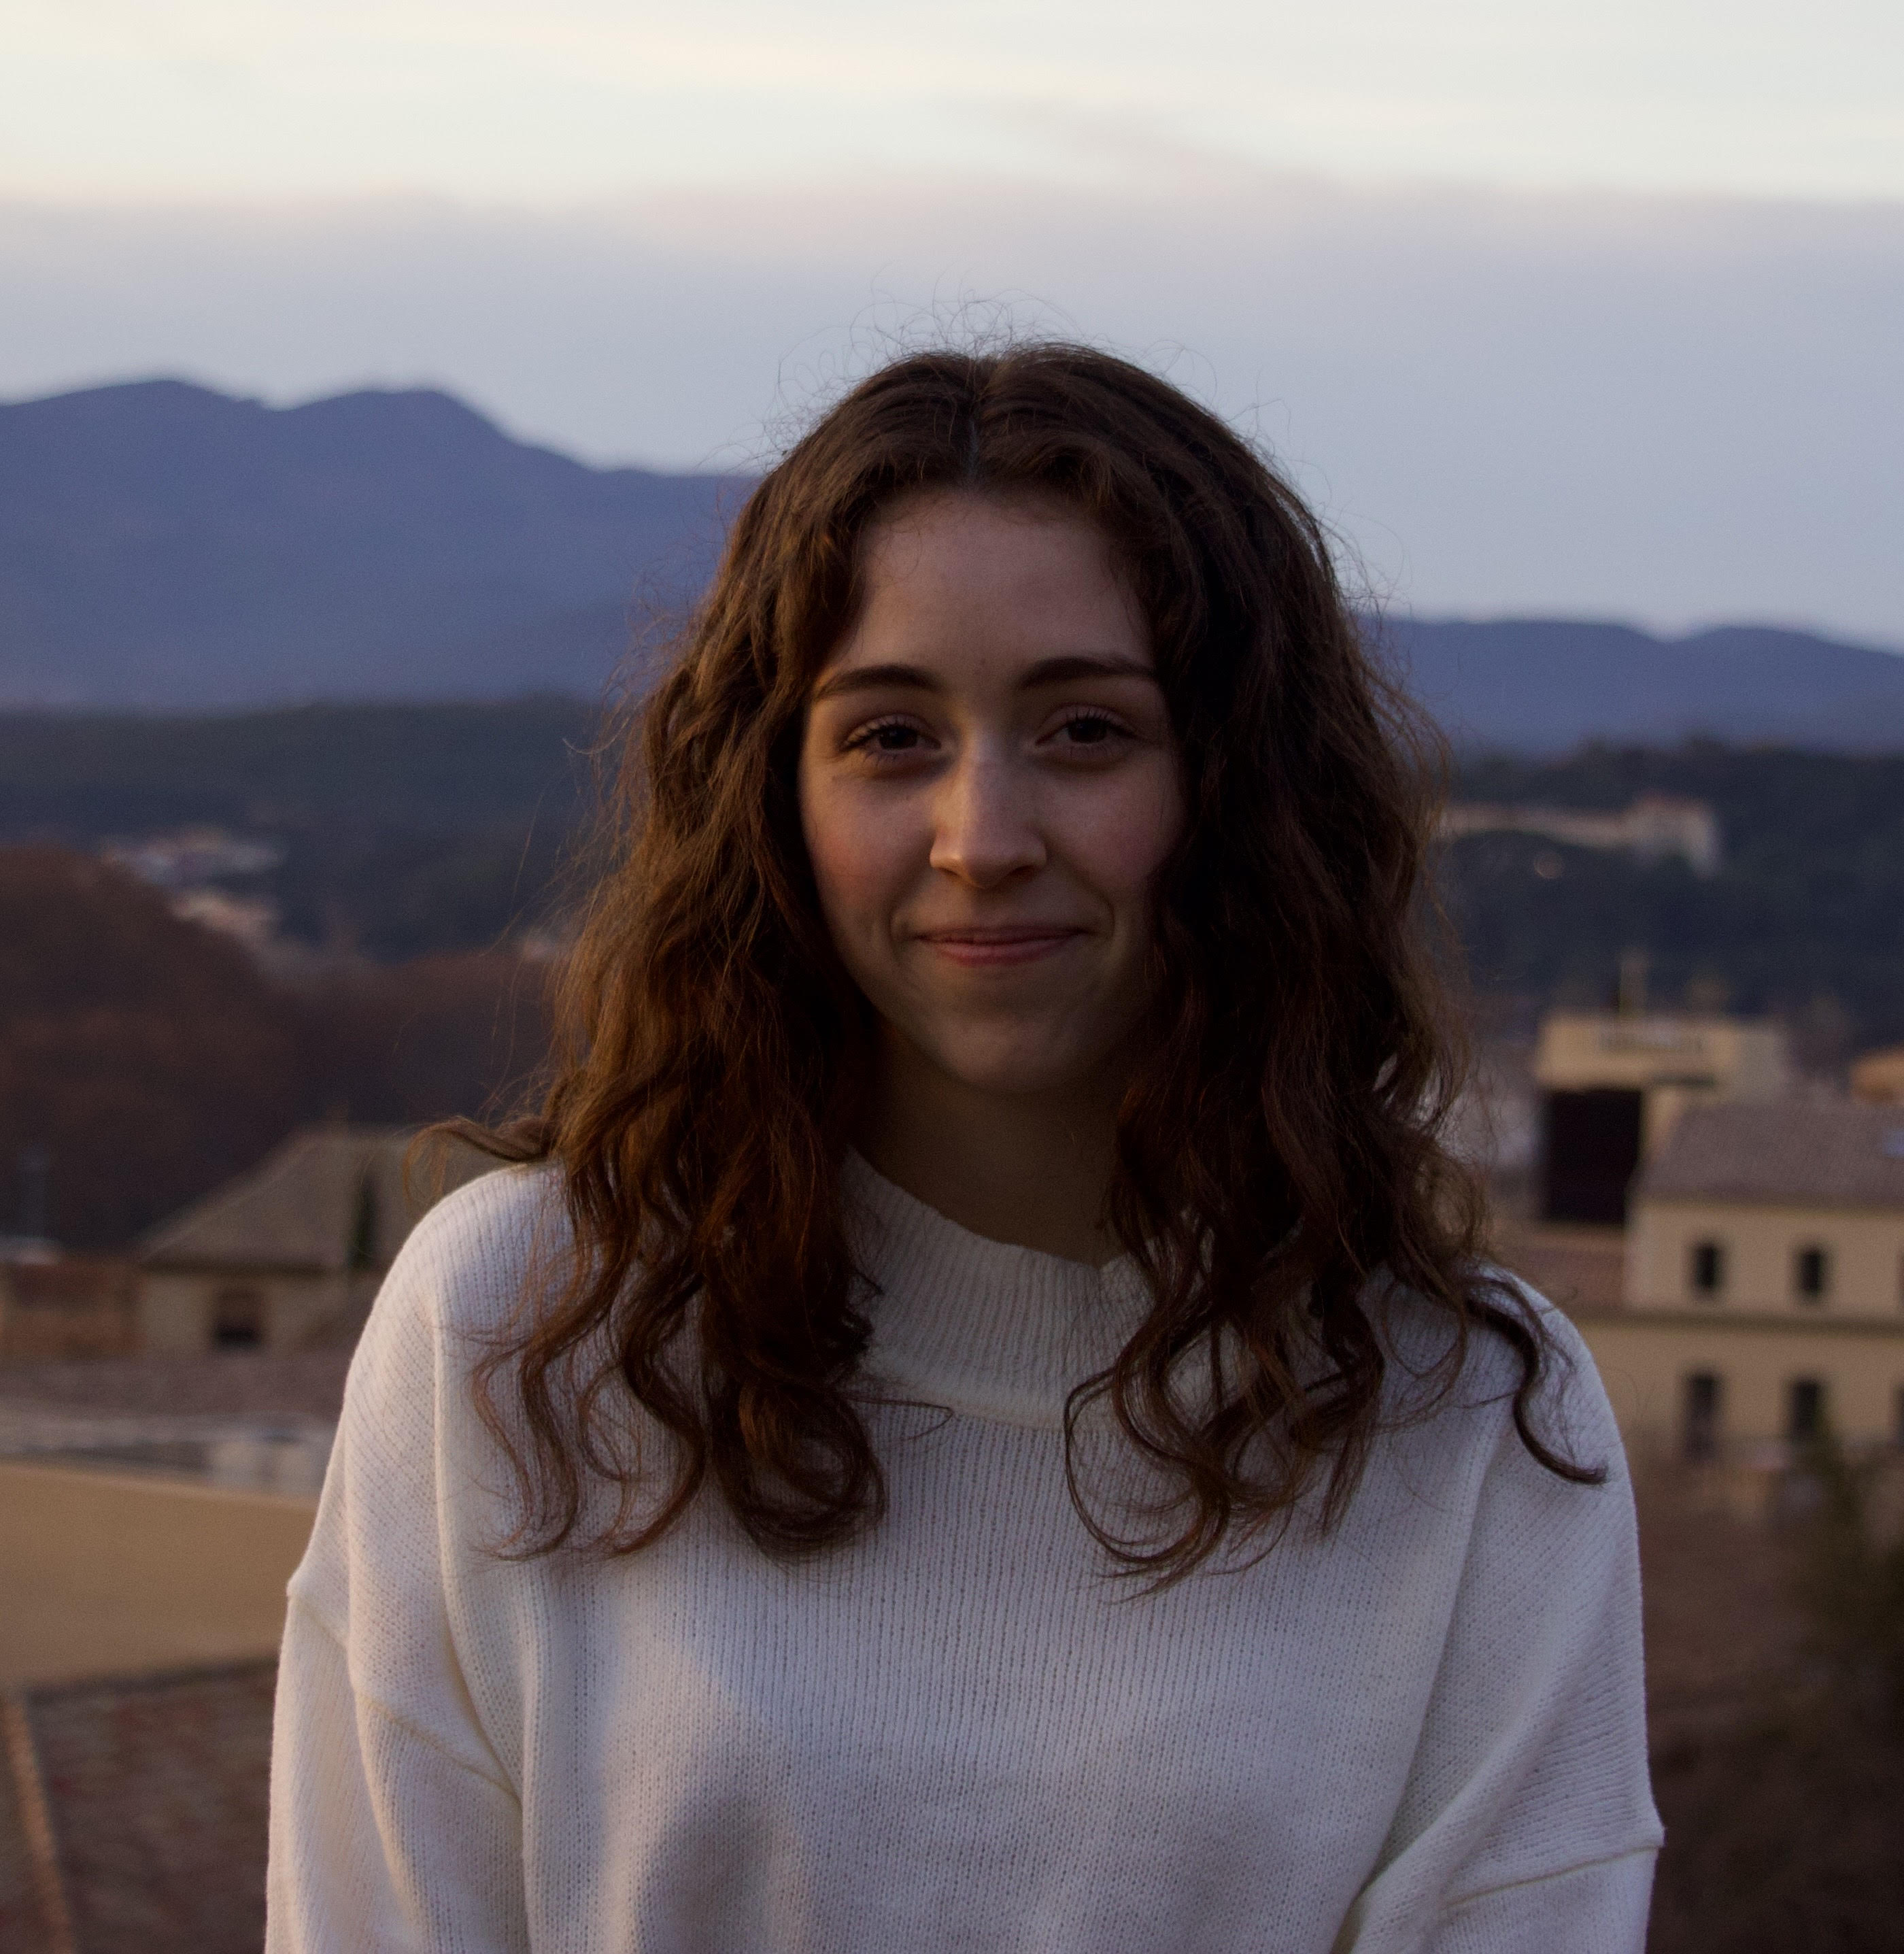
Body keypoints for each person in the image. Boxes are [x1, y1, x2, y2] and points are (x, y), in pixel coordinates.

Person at [267, 345, 1661, 1951]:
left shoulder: (1471, 1418)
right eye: (889, 738)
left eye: (1082, 731)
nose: (981, 840)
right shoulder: (521, 1330)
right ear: (772, 798)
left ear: (1238, 788)